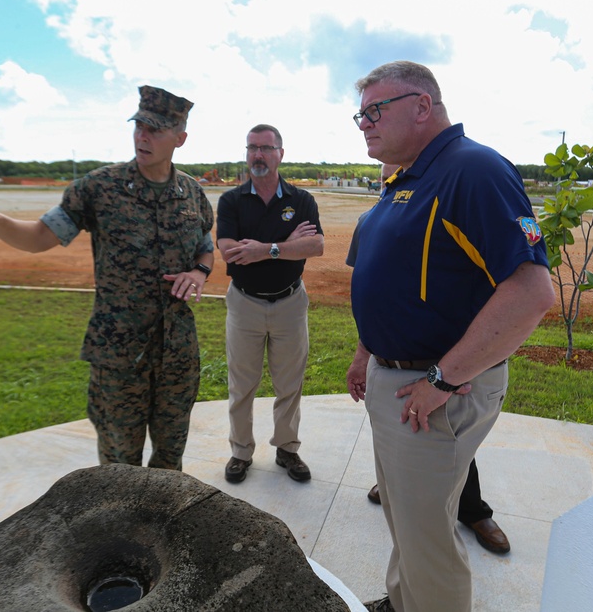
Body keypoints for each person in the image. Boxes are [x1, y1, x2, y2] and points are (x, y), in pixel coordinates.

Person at [346, 62, 555, 612]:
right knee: (405, 518)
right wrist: (367, 351)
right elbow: (389, 279)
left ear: (422, 106)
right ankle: (402, 600)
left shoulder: (474, 170)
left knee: (429, 537)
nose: (363, 123)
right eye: (359, 114)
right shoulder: (402, 178)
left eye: (374, 110)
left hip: (434, 391)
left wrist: (443, 378)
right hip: (396, 379)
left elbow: (532, 291)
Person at [0, 85, 215, 471]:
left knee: (170, 458)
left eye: (155, 129)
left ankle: (159, 526)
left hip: (176, 353)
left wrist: (199, 271)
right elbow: (37, 238)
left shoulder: (192, 193)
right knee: (118, 464)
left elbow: (204, 243)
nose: (142, 136)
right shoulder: (99, 188)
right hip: (119, 354)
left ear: (180, 138)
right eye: (139, 125)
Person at [347, 163, 510, 557]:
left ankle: (472, 511)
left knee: (449, 453)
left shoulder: (449, 206)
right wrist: (361, 356)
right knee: (397, 446)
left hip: (444, 371)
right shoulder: (371, 221)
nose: (396, 175)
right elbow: (376, 299)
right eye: (390, 173)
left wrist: (448, 376)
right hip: (387, 366)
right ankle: (392, 485)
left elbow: (516, 291)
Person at [215, 123, 324, 484]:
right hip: (244, 303)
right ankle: (240, 452)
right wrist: (285, 243)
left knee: (289, 382)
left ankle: (287, 448)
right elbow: (229, 251)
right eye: (252, 148)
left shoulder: (301, 200)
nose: (258, 155)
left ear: (280, 153)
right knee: (242, 383)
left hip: (290, 302)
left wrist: (264, 249)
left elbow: (315, 246)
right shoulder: (231, 200)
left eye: (265, 148)